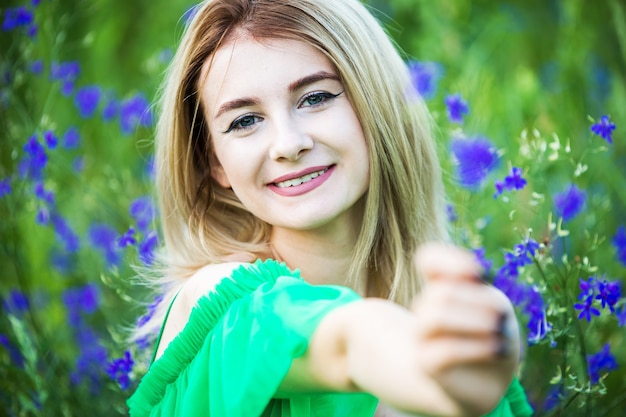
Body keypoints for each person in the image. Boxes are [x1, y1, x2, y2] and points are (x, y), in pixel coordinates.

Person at [127, 0, 534, 416]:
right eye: (245, 121)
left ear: (375, 103)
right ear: (214, 162)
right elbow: (347, 342)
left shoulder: (459, 338)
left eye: (315, 97)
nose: (288, 144)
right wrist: (429, 373)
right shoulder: (218, 305)